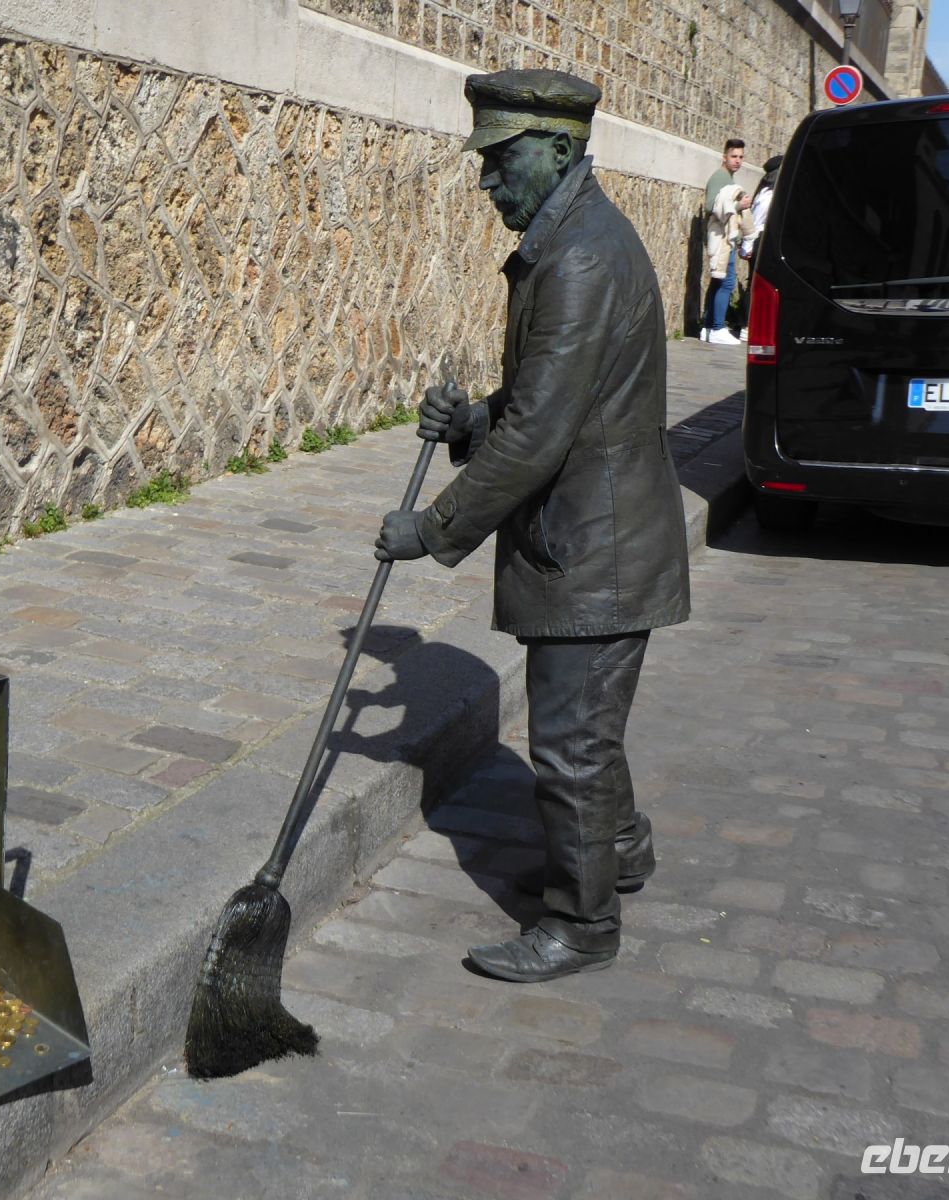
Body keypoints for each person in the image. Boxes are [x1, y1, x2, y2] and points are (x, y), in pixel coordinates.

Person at [373, 69, 691, 983]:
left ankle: (582, 924)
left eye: (501, 160)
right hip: (596, 533)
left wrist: (432, 529)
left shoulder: (582, 257)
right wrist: (475, 419)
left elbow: (544, 433)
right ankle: (616, 852)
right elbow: (549, 395)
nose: (487, 181)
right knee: (587, 725)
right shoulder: (570, 242)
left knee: (571, 744)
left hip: (597, 545)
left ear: (557, 150)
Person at [701, 138, 752, 346]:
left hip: (726, 238)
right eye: (734, 156)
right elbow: (711, 205)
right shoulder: (720, 178)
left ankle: (708, 326)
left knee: (718, 280)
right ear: (725, 157)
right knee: (727, 281)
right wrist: (739, 205)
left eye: (740, 157)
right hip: (721, 239)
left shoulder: (728, 178)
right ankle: (717, 327)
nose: (738, 161)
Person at [738, 154, 782, 268]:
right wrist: (746, 247)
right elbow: (756, 222)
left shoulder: (772, 193)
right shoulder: (768, 195)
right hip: (760, 243)